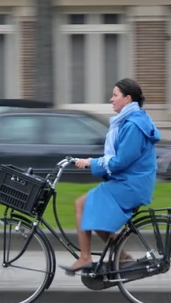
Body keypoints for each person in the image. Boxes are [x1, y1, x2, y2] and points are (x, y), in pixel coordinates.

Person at [60, 78, 161, 275]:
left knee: (82, 205)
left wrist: (92, 162)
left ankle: (85, 258)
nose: (111, 99)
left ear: (128, 99)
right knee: (94, 215)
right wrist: (94, 161)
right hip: (130, 181)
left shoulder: (133, 126)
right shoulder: (131, 121)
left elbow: (120, 161)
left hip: (131, 184)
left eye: (115, 95)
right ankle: (123, 258)